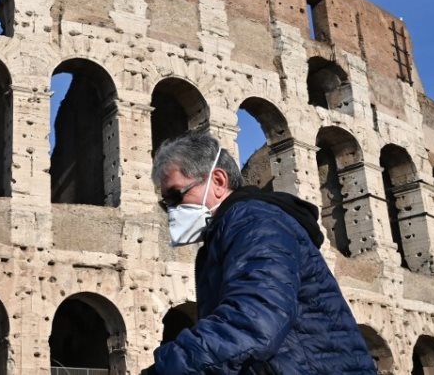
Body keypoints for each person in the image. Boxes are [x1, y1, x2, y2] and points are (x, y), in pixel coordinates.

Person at [151, 133, 377, 374]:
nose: (173, 210)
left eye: (177, 195)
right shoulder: (229, 232)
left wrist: (165, 369)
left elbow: (253, 321)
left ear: (218, 181)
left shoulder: (255, 222)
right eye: (167, 204)